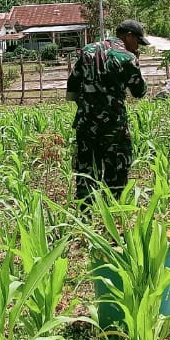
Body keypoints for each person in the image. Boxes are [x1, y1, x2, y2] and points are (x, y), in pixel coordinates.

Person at [66, 19, 149, 206]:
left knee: (86, 170)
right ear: (128, 36)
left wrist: (85, 105)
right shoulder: (127, 58)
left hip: (86, 124)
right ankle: (113, 210)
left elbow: (72, 84)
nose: (138, 46)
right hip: (114, 126)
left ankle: (86, 213)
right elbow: (139, 92)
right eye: (138, 41)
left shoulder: (87, 50)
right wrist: (136, 62)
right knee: (117, 170)